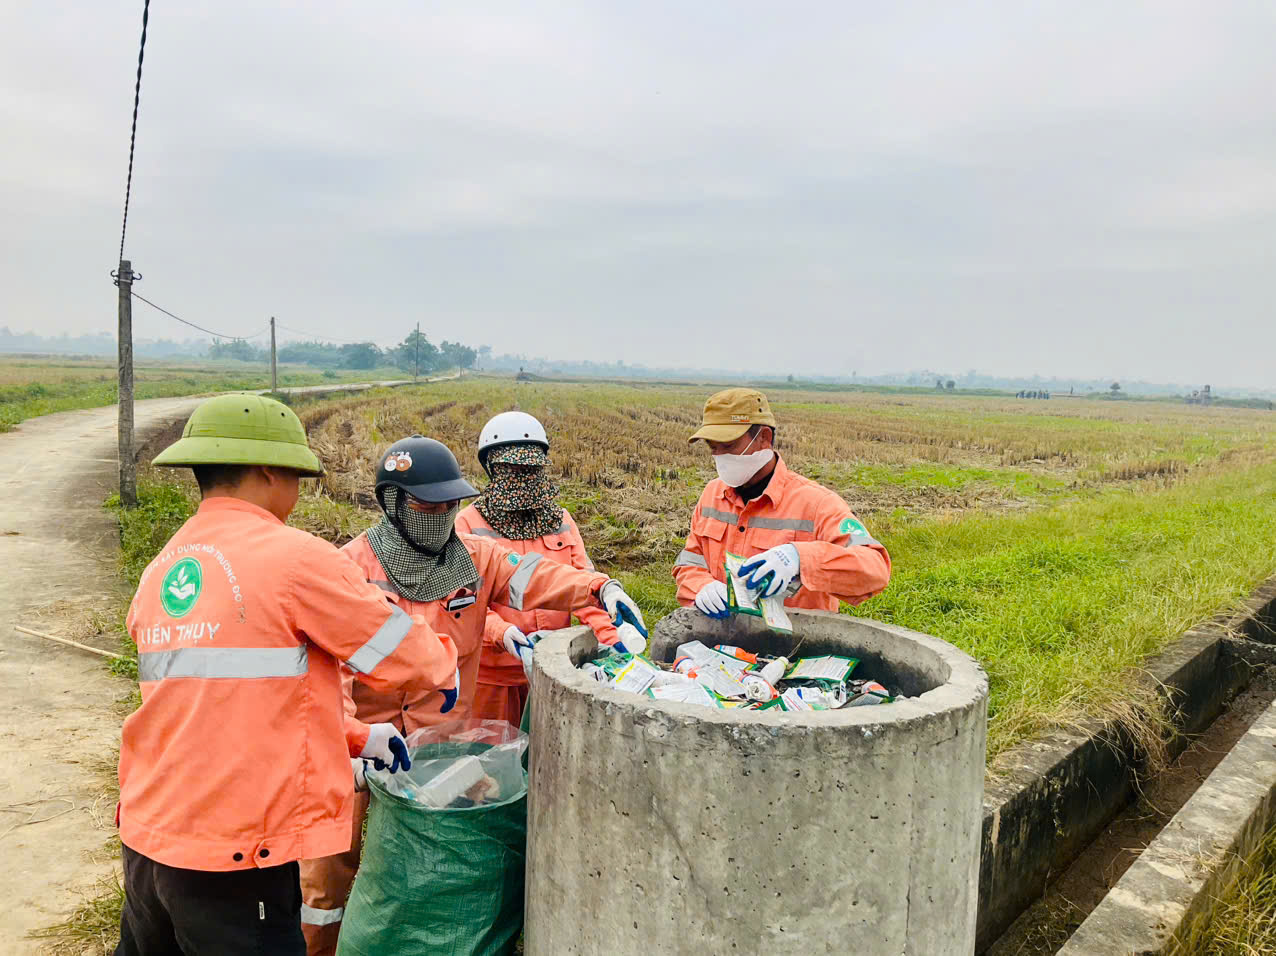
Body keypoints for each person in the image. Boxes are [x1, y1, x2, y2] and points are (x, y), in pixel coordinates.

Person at [115, 395, 459, 956]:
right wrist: (445, 666)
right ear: (269, 471)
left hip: (150, 834)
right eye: (296, 476)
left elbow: (222, 700)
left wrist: (355, 736)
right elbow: (402, 653)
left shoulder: (165, 566)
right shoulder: (295, 558)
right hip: (234, 850)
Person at [299, 434, 645, 955]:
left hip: (435, 742)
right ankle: (319, 946)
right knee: (327, 866)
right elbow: (331, 673)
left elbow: (535, 576)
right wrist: (349, 747)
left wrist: (599, 589)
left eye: (450, 505)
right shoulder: (350, 570)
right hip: (363, 744)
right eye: (427, 505)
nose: (442, 515)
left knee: (427, 859)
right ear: (392, 503)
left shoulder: (475, 559)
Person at [455, 411, 619, 725]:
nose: (523, 478)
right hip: (492, 676)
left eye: (531, 470)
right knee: (495, 750)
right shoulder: (468, 525)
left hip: (554, 669)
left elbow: (581, 584)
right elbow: (464, 602)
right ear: (491, 468)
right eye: (512, 470)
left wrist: (611, 638)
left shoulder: (560, 521)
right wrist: (502, 633)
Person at [673, 388, 891, 618]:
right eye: (713, 447)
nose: (720, 457)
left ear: (764, 438)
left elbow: (874, 569)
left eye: (728, 446)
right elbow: (690, 561)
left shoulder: (817, 503)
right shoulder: (712, 495)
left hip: (799, 638)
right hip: (725, 635)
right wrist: (701, 586)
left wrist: (801, 558)